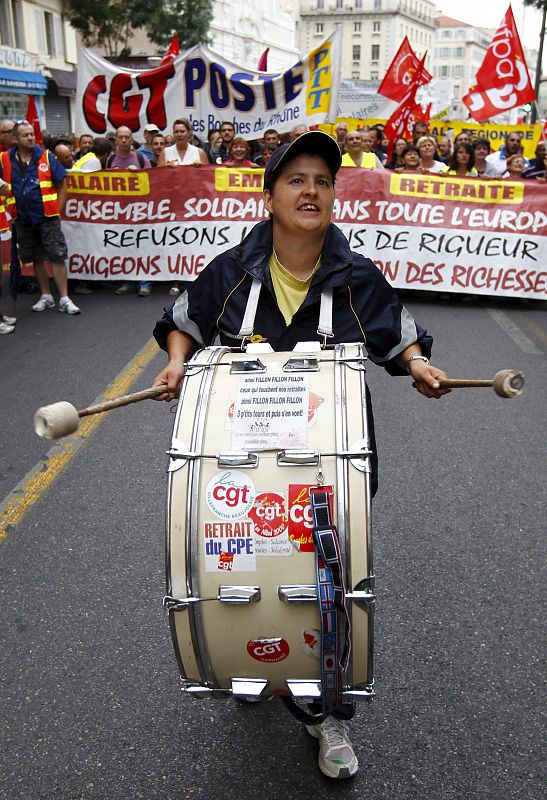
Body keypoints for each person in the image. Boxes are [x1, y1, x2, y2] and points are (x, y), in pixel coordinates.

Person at [152, 130, 450, 780]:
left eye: (321, 179)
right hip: (238, 462)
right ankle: (255, 660)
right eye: (295, 179)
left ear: (332, 195)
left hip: (327, 470)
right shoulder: (231, 271)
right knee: (245, 572)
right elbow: (185, 318)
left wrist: (420, 365)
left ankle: (328, 714)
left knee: (326, 588)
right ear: (269, 195)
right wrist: (177, 364)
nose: (310, 189)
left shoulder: (353, 277)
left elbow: (396, 334)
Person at [0, 121, 80, 314]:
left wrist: (57, 212)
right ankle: (46, 296)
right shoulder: (5, 159)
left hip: (48, 218)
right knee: (35, 258)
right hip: (23, 219)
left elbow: (62, 186)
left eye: (31, 134)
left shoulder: (46, 156)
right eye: (25, 135)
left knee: (57, 257)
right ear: (15, 138)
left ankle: (64, 298)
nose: (30, 137)